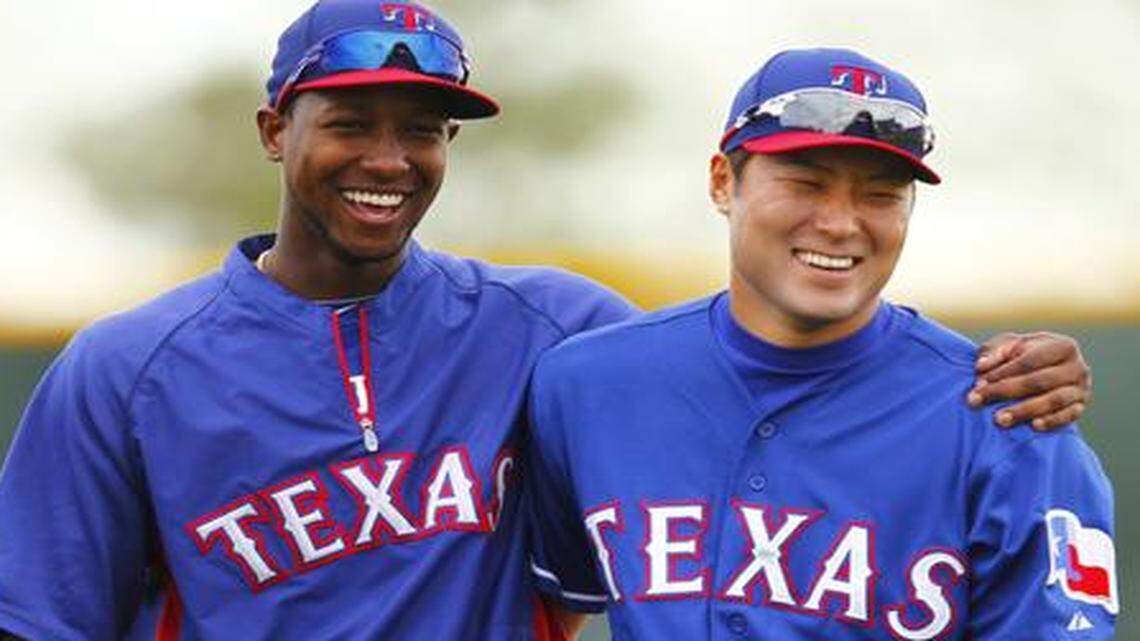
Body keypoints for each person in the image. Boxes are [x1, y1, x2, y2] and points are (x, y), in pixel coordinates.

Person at [0, 3, 1094, 639]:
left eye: (424, 127)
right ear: (274, 130)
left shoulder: (559, 331)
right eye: (351, 121)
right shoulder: (126, 366)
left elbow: (764, 373)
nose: (389, 156)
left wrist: (1015, 371)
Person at [525, 48, 1116, 640]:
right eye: (806, 184)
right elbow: (559, 605)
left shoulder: (1008, 421)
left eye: (880, 195)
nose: (840, 222)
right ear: (722, 182)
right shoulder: (585, 387)